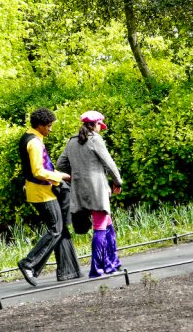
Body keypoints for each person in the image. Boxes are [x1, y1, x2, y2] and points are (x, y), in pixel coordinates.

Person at [18, 107, 82, 286]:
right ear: (39, 125)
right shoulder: (34, 143)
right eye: (48, 126)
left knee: (61, 229)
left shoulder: (30, 137)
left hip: (41, 190)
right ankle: (28, 264)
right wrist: (61, 177)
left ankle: (69, 270)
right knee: (56, 229)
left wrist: (61, 175)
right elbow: (38, 171)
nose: (50, 129)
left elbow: (43, 167)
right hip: (41, 193)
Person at [56, 110, 123, 278]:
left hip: (79, 190)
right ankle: (97, 269)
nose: (101, 128)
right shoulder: (95, 140)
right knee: (100, 227)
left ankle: (112, 263)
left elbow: (60, 164)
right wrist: (118, 182)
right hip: (97, 189)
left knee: (107, 223)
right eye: (100, 125)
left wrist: (78, 174)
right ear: (95, 125)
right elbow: (109, 162)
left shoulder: (72, 142)